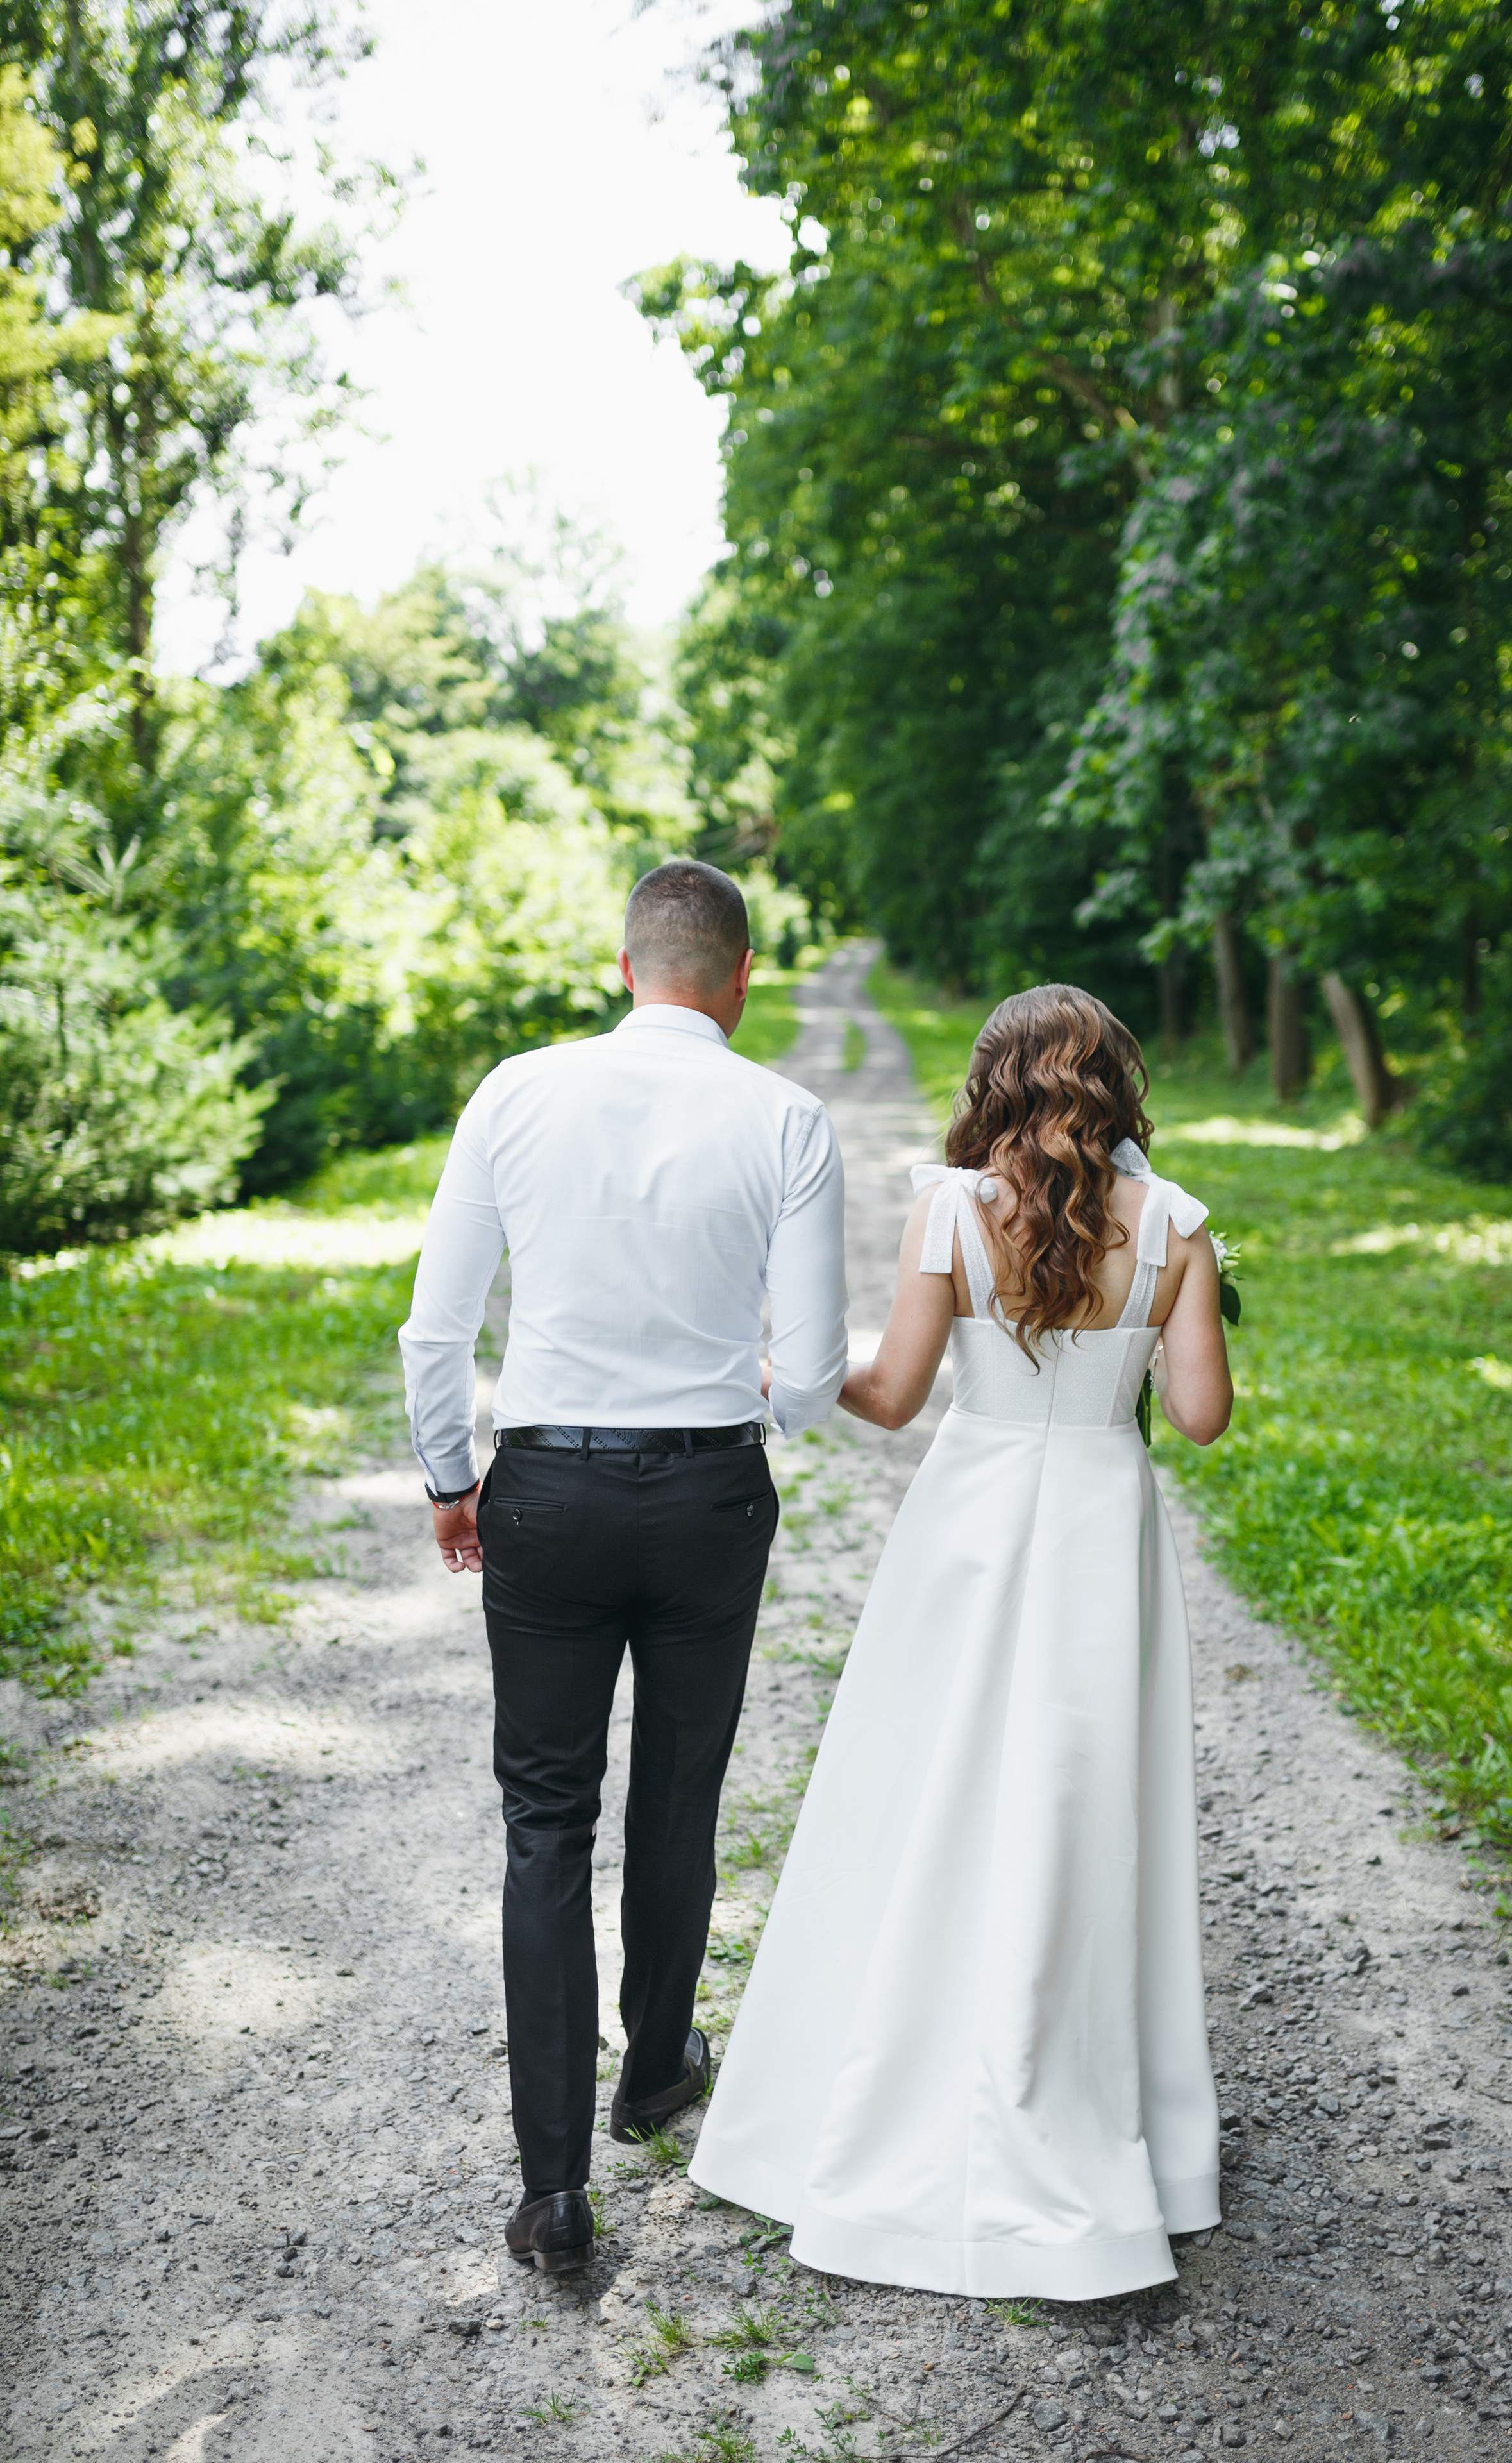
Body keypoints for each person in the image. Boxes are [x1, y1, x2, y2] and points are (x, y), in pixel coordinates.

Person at [691, 983, 1233, 2300]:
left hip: (970, 1521)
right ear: (1113, 1090)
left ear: (991, 1085)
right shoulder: (1173, 1226)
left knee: (927, 1789)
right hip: (1100, 1521)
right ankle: (1090, 2096)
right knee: (1082, 1807)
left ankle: (897, 2070)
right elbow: (1202, 1416)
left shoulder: (948, 1211)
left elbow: (883, 1394)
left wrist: (768, 1368)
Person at [398, 859, 848, 2276]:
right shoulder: (785, 1116)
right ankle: (654, 2073)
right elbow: (819, 1369)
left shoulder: (515, 1092)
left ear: (620, 963)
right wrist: (748, 1408)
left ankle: (552, 2194)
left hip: (546, 1491)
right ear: (742, 973)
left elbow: (435, 1331)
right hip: (710, 1490)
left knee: (545, 1821)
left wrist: (450, 1482)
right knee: (678, 1792)